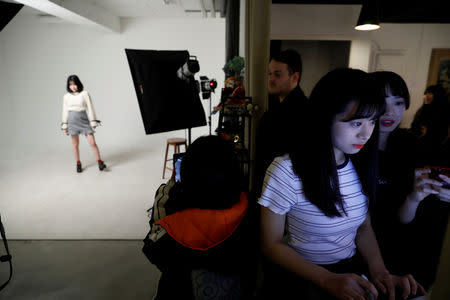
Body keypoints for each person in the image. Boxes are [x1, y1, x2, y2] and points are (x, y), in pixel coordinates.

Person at [258, 68, 425, 300]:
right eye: (356, 123)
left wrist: (381, 273)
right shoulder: (287, 170)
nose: (366, 134)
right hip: (301, 277)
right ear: (325, 117)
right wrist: (326, 279)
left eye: (371, 122)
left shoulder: (360, 164)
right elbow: (270, 244)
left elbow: (363, 227)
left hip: (348, 271)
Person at [142, 135, 255, 299]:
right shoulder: (248, 210)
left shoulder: (175, 225)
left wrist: (168, 189)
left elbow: (153, 248)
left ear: (186, 176)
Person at [367, 71, 450, 291]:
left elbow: (407, 216)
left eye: (398, 102)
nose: (389, 111)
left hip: (401, 251)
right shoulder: (354, 147)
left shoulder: (412, 146)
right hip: (358, 253)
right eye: (380, 101)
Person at [253, 49, 309, 199]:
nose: (270, 79)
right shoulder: (277, 106)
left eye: (277, 74)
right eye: (270, 74)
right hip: (270, 187)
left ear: (294, 77)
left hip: (282, 192)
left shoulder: (303, 111)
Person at [61, 75, 106, 173]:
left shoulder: (84, 94)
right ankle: (78, 163)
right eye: (70, 85)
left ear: (78, 84)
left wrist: (93, 121)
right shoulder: (66, 96)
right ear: (68, 86)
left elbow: (90, 107)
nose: (73, 87)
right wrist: (65, 125)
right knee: (75, 144)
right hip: (72, 121)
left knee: (92, 143)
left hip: (84, 120)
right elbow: (65, 111)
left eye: (75, 84)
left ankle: (100, 162)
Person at [410, 84, 449, 163]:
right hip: (418, 146)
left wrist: (428, 132)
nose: (426, 96)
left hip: (434, 151)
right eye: (426, 93)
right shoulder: (423, 108)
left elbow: (443, 133)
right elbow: (414, 125)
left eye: (430, 93)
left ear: (437, 96)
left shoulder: (444, 112)